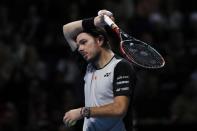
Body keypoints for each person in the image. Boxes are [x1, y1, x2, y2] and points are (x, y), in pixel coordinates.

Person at [62, 10, 137, 131]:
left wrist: (83, 112)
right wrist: (95, 21)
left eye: (84, 42)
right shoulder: (87, 66)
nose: (80, 49)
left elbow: (119, 108)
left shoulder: (121, 66)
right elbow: (66, 30)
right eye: (78, 44)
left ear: (99, 40)